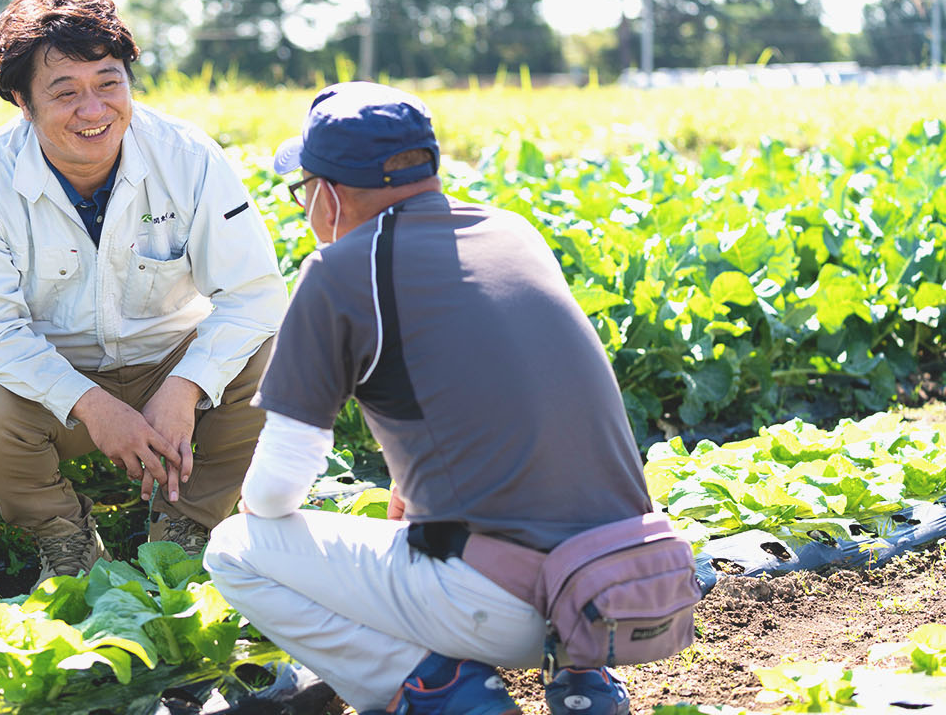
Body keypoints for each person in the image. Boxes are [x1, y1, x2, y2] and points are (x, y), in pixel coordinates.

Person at [203, 82, 653, 715]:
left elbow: (279, 486)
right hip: (625, 583)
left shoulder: (340, 270)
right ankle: (583, 676)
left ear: (329, 194)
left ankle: (442, 690)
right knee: (442, 532)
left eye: (304, 189)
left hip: (504, 606)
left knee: (235, 549)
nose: (306, 208)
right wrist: (413, 493)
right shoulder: (513, 232)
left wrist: (255, 510)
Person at [0, 0, 287, 588]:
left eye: (109, 82)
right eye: (64, 91)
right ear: (22, 101)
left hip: (170, 361)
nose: (93, 109)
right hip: (55, 380)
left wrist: (184, 387)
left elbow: (254, 294)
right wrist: (93, 407)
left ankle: (186, 526)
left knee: (276, 361)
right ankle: (63, 535)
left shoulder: (189, 157)